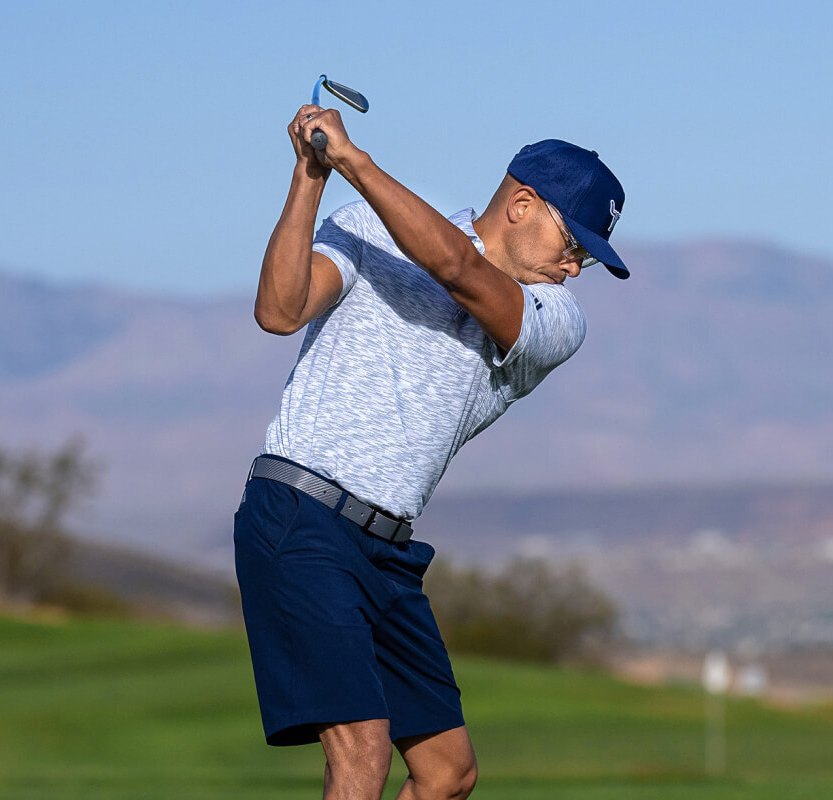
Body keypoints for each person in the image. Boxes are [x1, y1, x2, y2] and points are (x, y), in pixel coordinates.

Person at [233, 100, 628, 800]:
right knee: (362, 755)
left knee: (448, 774)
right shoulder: (368, 228)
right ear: (521, 205)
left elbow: (457, 270)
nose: (573, 269)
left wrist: (356, 161)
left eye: (587, 260)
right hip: (300, 513)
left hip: (388, 550)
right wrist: (312, 176)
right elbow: (280, 311)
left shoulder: (556, 319)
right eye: (572, 244)